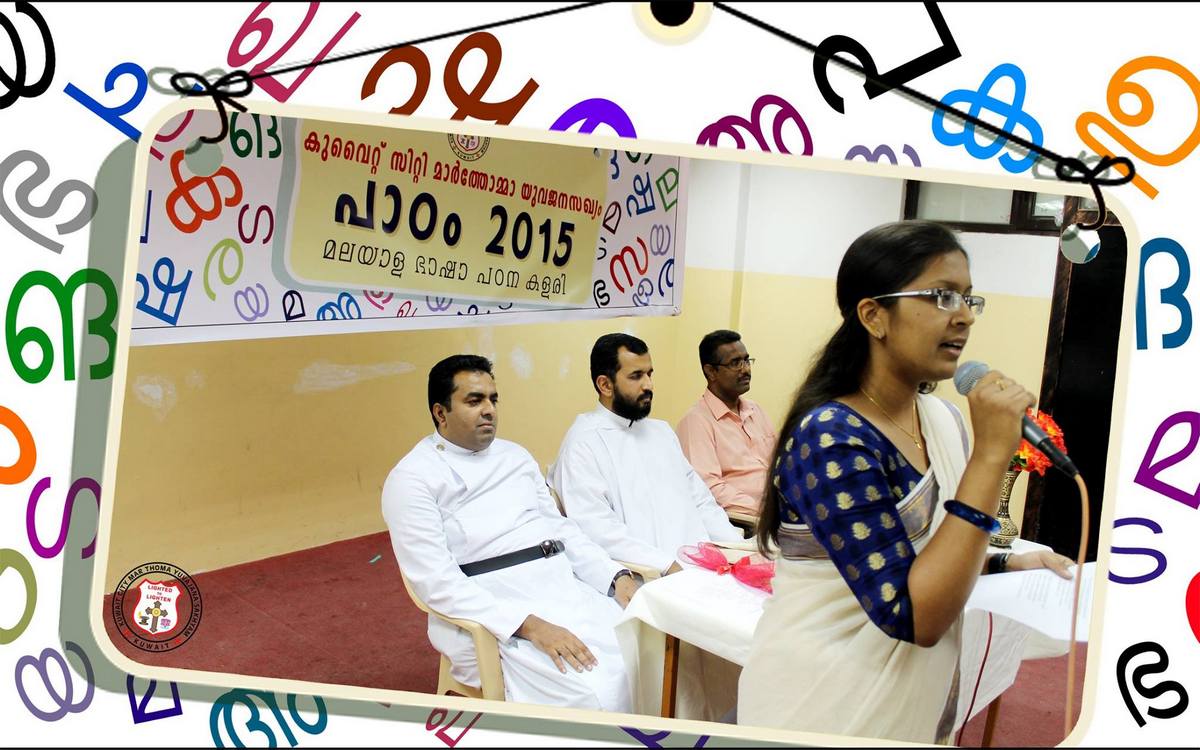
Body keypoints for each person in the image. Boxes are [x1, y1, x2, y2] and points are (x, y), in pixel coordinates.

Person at [738, 221, 1075, 743]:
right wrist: (990, 456)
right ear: (874, 315)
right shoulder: (831, 436)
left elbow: (916, 555)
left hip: (907, 706)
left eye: (967, 298)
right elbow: (914, 615)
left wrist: (1004, 562)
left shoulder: (939, 417)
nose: (964, 316)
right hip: (824, 705)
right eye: (942, 296)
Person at [382, 355, 640, 711]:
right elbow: (436, 581)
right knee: (593, 691)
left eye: (493, 399)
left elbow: (561, 531)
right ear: (440, 413)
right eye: (474, 400)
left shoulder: (515, 456)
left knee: (653, 655)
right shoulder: (411, 478)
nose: (489, 409)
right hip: (495, 606)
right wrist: (529, 626)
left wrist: (615, 576)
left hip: (562, 584)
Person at [548, 333, 743, 576]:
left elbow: (701, 501)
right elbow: (597, 530)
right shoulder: (583, 443)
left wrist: (739, 549)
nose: (648, 385)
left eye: (649, 374)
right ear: (605, 385)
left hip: (704, 567)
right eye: (636, 376)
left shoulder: (661, 432)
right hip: (647, 577)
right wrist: (666, 565)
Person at [676, 330, 778, 518]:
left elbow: (779, 464)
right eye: (735, 363)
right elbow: (708, 487)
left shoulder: (756, 411)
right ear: (711, 372)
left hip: (777, 514)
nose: (745, 370)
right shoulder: (696, 421)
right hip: (741, 522)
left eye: (746, 360)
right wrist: (766, 511)